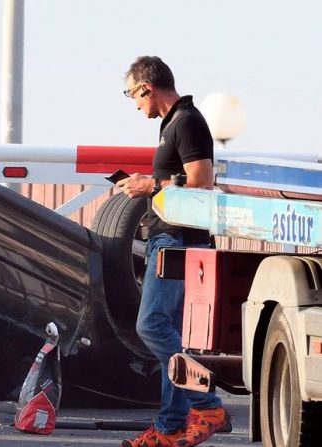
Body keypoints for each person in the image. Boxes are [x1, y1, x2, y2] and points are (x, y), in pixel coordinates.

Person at [117, 56, 230, 447]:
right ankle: (170, 427)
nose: (133, 103)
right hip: (174, 238)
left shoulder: (187, 121)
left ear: (147, 87)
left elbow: (200, 181)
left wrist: (149, 185)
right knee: (172, 337)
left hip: (178, 240)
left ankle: (208, 404)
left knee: (151, 326)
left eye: (132, 94)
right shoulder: (174, 124)